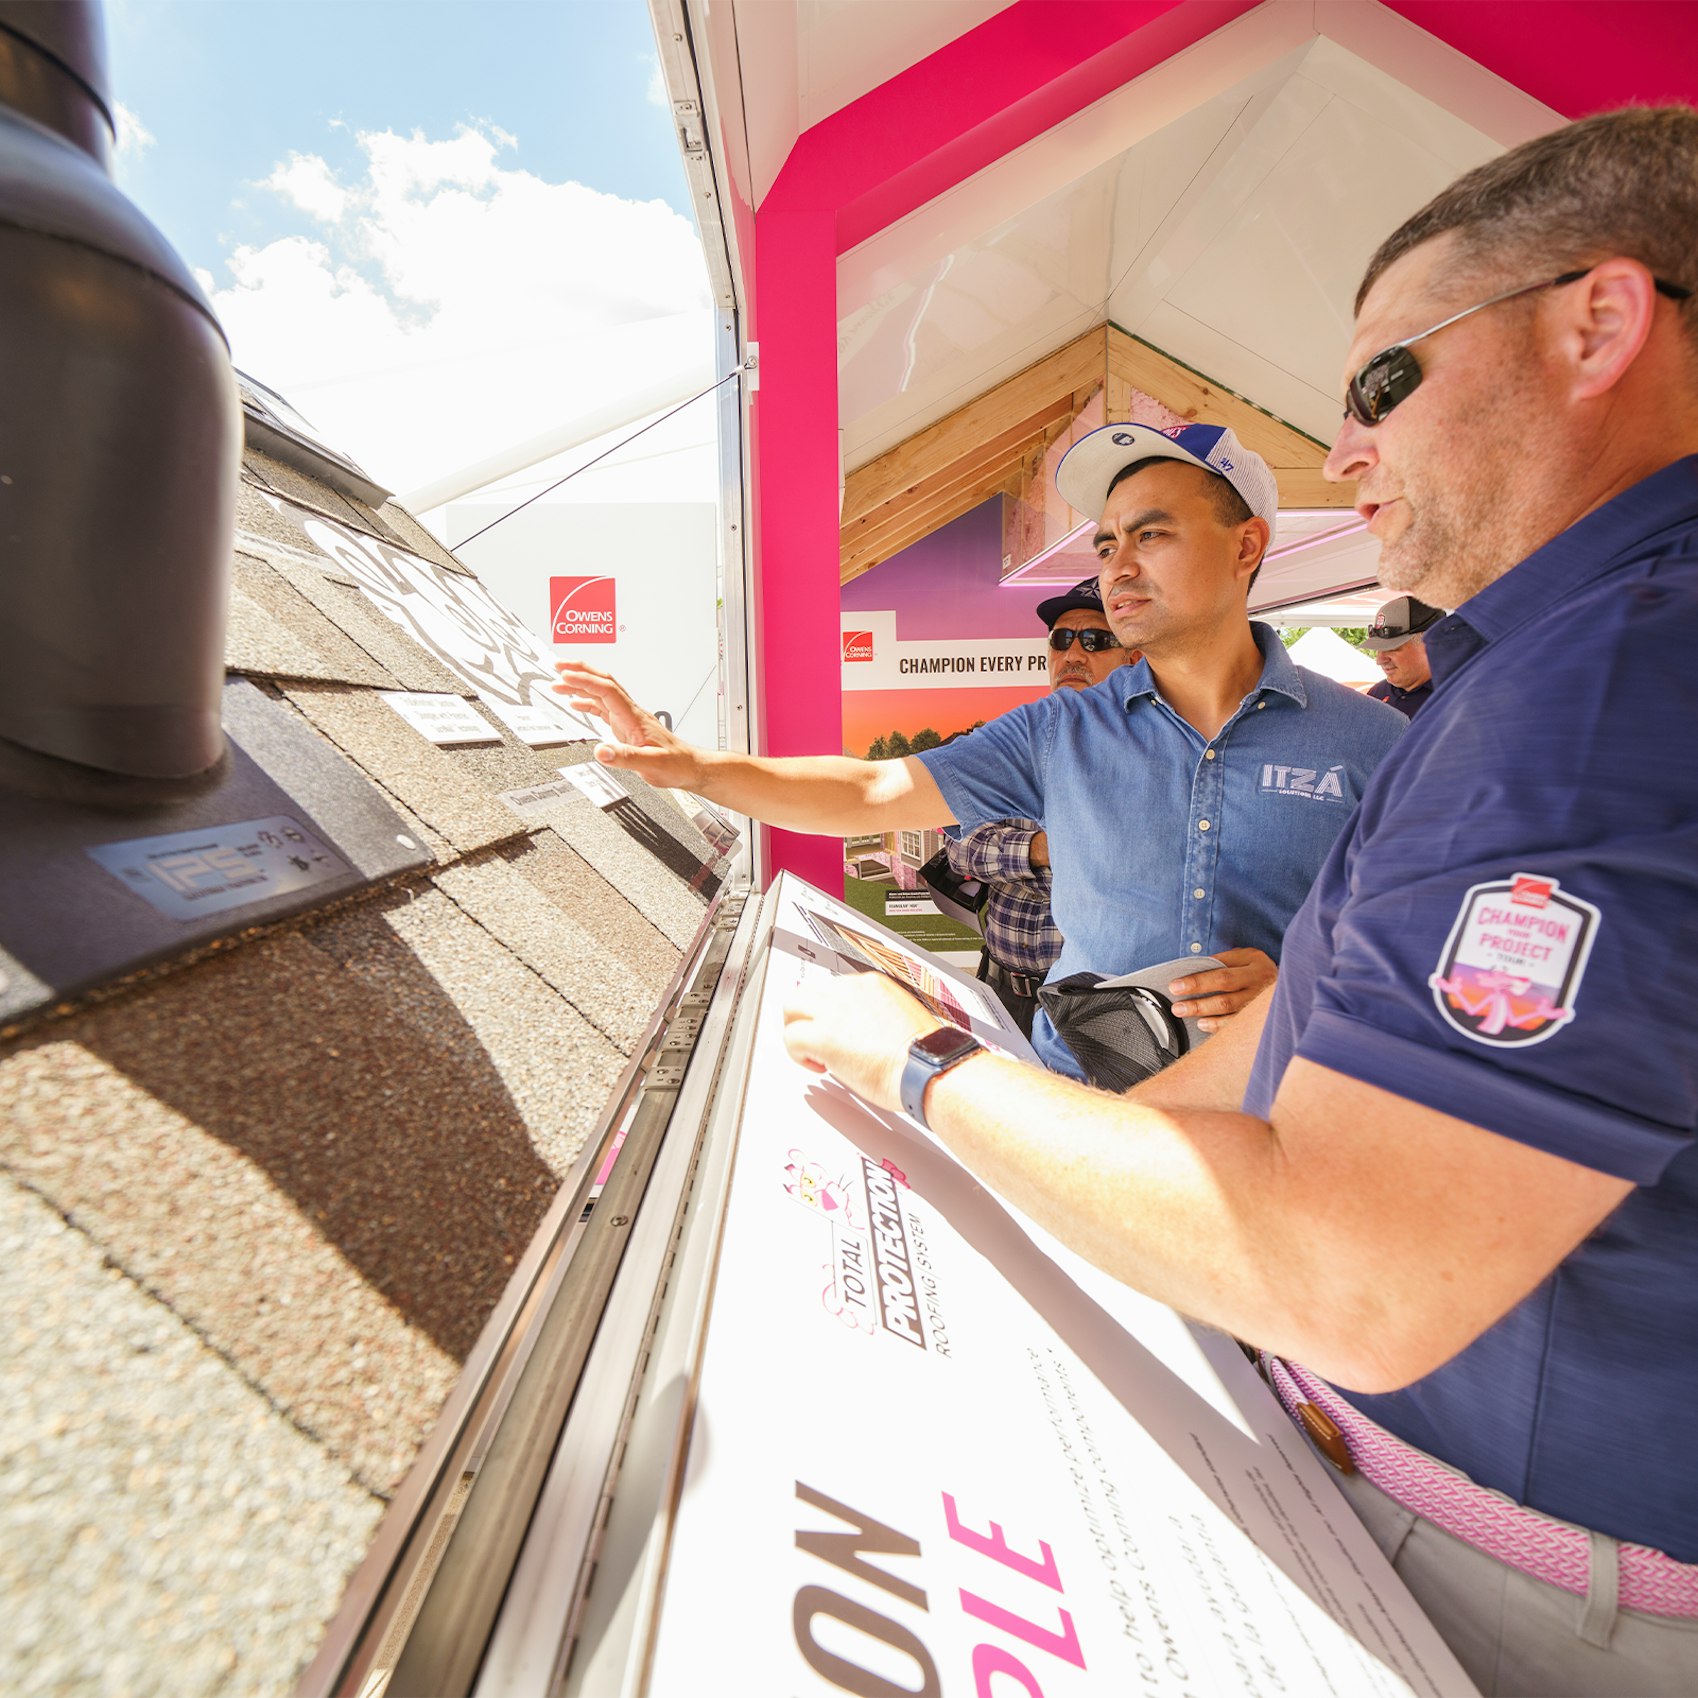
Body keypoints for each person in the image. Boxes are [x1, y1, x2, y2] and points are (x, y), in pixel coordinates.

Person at [779, 105, 1698, 1697]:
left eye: (1375, 383)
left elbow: (1352, 1272)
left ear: (1595, 322)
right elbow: (1272, 1076)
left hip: (1524, 1579)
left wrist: (917, 1068)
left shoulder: (1590, 700)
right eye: (1103, 543)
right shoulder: (1518, 680)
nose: (1350, 447)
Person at [557, 422, 1405, 1079]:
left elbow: (1418, 946)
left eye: (1152, 535)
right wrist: (698, 767)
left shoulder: (1373, 740)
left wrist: (1303, 989)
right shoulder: (1060, 729)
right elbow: (873, 790)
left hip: (1280, 1098)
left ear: (1247, 545)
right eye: (1107, 543)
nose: (1117, 568)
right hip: (1082, 1097)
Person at [941, 576, 1133, 1037]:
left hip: (1094, 1010)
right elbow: (962, 851)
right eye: (1061, 639)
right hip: (1000, 986)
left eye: (1095, 640)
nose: (1072, 654)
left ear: (1135, 658)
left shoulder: (1150, 757)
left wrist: (1012, 853)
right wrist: (1040, 850)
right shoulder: (1012, 743)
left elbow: (1121, 869)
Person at [1360, 594, 1441, 717]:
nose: (1379, 660)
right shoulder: (1377, 694)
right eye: (1379, 649)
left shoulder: (1459, 698)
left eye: (1391, 648)